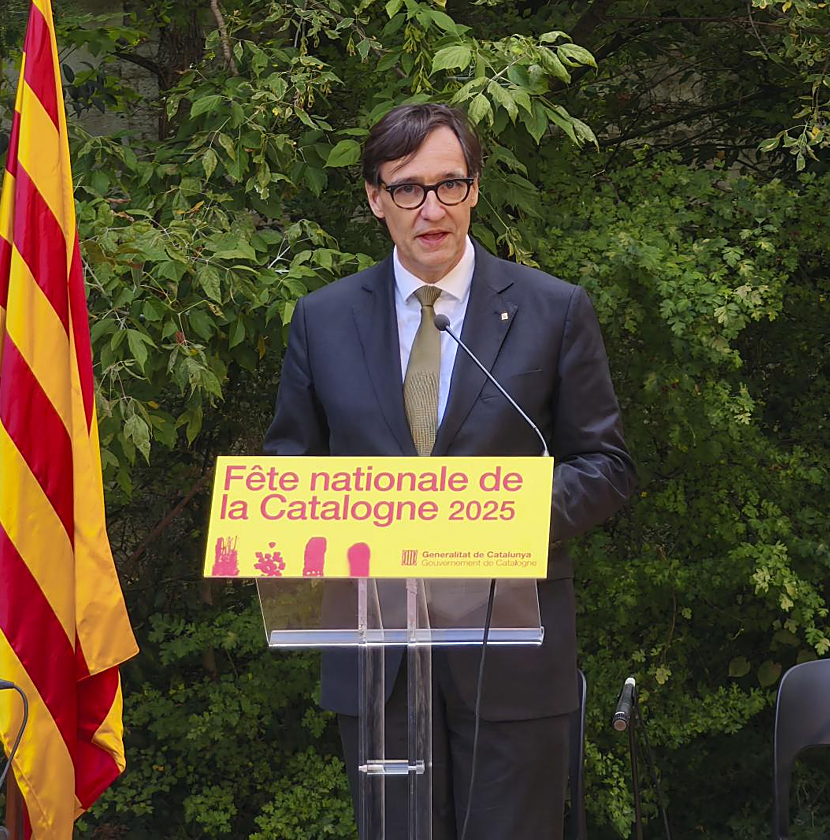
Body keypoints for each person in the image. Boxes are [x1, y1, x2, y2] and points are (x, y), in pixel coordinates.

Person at [263, 102, 635, 839]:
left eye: (450, 185)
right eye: (408, 188)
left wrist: (490, 517)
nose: (431, 209)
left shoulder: (552, 310)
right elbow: (289, 469)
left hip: (512, 660)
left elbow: (607, 465)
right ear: (375, 198)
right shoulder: (323, 318)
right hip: (378, 662)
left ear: (474, 189)